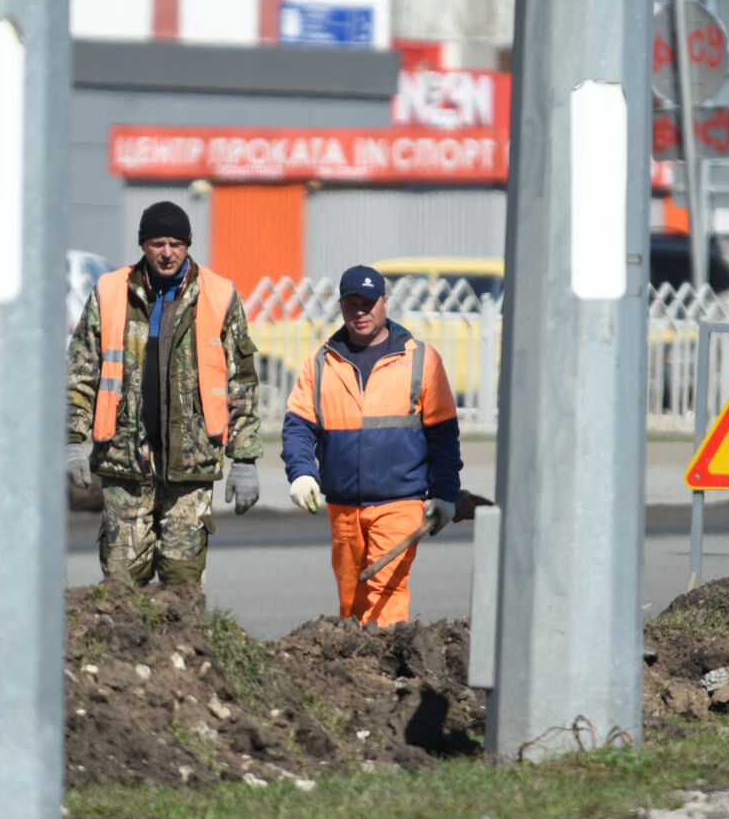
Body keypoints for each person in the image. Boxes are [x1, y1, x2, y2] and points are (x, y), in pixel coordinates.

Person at [66, 201, 262, 589]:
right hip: (125, 462)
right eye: (157, 242)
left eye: (175, 242)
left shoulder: (219, 296)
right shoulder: (110, 293)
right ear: (143, 245)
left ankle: (182, 652)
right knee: (122, 584)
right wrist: (72, 439)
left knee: (183, 581)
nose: (167, 252)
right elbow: (82, 371)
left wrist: (245, 457)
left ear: (188, 246)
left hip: (191, 463)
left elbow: (242, 382)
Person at [280, 266, 461, 627]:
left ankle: (386, 676)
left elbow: (443, 435)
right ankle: (358, 678)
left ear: (385, 303)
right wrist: (302, 474)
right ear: (342, 307)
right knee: (352, 601)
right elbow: (298, 426)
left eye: (368, 303)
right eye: (352, 304)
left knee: (386, 597)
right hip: (343, 507)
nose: (360, 312)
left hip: (400, 503)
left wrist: (444, 493)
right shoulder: (322, 362)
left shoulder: (420, 360)